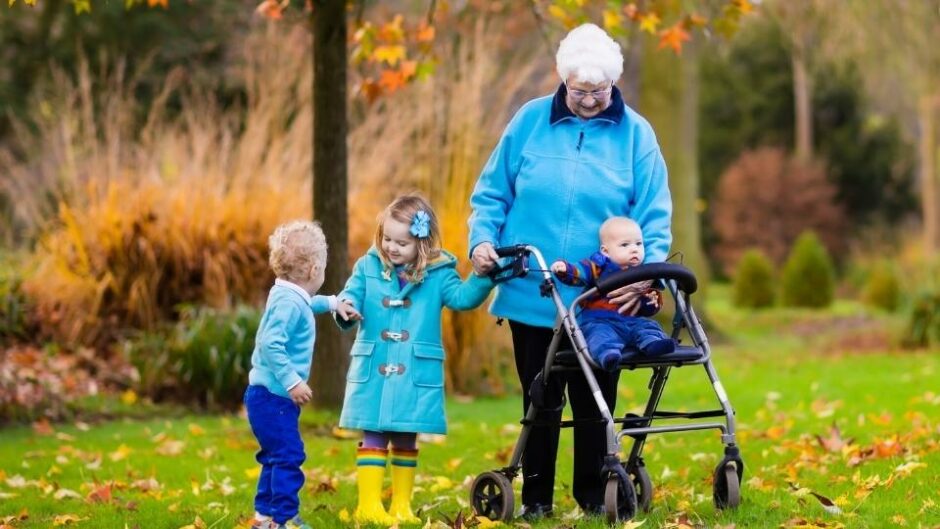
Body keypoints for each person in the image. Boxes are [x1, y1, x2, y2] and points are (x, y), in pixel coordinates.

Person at [468, 23, 672, 519]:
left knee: (594, 397)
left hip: (600, 299)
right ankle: (535, 499)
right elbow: (492, 193)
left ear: (612, 84)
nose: (588, 100)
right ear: (563, 81)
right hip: (531, 290)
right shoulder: (530, 121)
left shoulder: (636, 135)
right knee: (540, 397)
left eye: (598, 91)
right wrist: (481, 240)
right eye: (579, 91)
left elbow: (654, 214)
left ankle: (591, 494)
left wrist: (645, 273)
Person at [336, 194, 494, 526]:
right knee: (374, 431)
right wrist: (347, 307)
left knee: (407, 437)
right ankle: (368, 505)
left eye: (402, 243)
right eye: (387, 239)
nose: (392, 248)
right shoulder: (368, 267)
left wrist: (483, 277)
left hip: (414, 372)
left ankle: (401, 507)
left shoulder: (438, 274)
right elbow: (352, 293)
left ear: (422, 243)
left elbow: (463, 298)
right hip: (376, 367)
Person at [245, 220, 360, 529]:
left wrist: (334, 303)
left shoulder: (287, 294)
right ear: (313, 271)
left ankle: (264, 518)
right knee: (289, 455)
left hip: (266, 397)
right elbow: (270, 344)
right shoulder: (287, 302)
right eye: (322, 269)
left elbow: (308, 303)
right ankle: (284, 519)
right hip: (273, 397)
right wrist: (293, 381)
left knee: (274, 455)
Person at [550, 217, 676, 371]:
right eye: (625, 245)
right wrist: (566, 270)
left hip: (632, 321)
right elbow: (580, 274)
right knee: (599, 335)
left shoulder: (643, 274)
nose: (634, 249)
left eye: (639, 244)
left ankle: (653, 343)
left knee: (649, 326)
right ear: (605, 251)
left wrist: (651, 302)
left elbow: (648, 308)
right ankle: (607, 354)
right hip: (601, 320)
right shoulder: (599, 265)